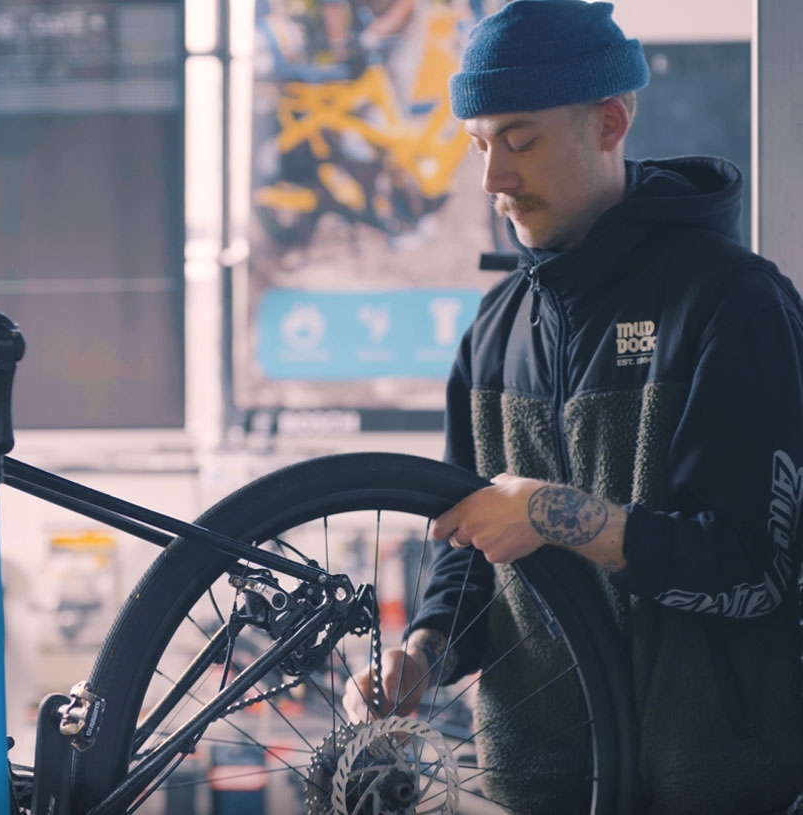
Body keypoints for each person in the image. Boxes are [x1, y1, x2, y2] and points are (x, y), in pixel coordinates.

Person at [343, 1, 803, 812]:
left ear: (609, 121)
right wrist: (422, 650)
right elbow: (463, 550)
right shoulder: (492, 333)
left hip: (714, 786)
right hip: (540, 789)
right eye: (479, 144)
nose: (493, 179)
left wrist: (556, 515)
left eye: (520, 140)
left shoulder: (731, 304)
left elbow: (754, 569)